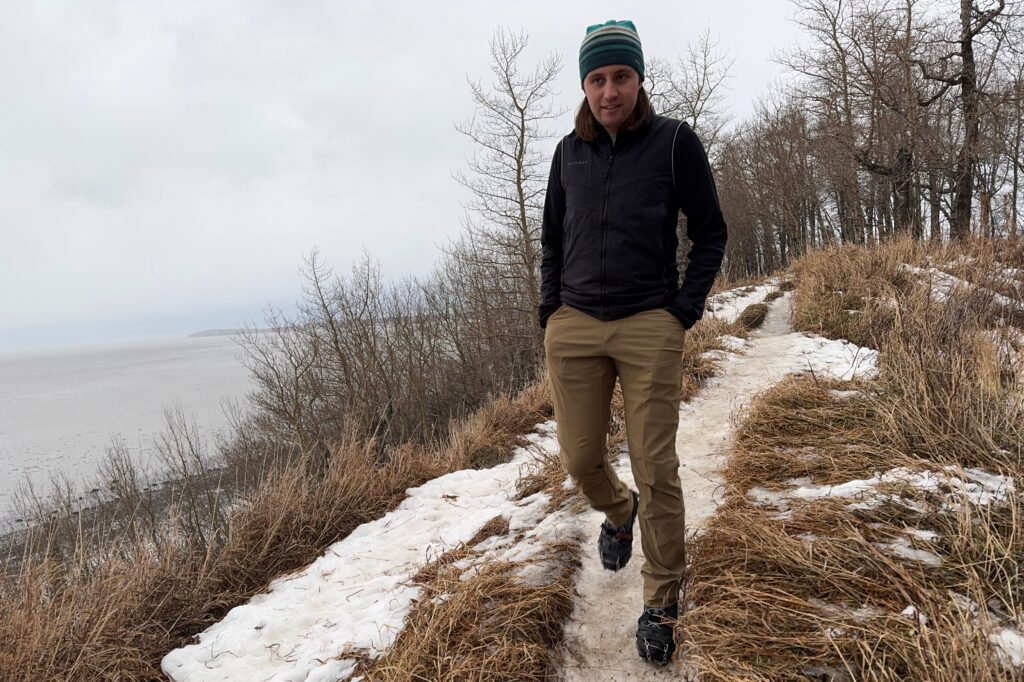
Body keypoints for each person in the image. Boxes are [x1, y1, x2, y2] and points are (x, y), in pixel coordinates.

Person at [539, 19, 728, 665]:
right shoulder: (568, 154)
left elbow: (711, 234)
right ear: (585, 86)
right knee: (581, 457)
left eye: (620, 76)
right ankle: (619, 513)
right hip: (575, 324)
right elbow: (552, 242)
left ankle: (662, 602)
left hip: (650, 321)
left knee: (656, 464)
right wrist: (550, 311)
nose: (609, 90)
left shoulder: (675, 143)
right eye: (597, 79)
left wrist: (681, 311)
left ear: (639, 79)